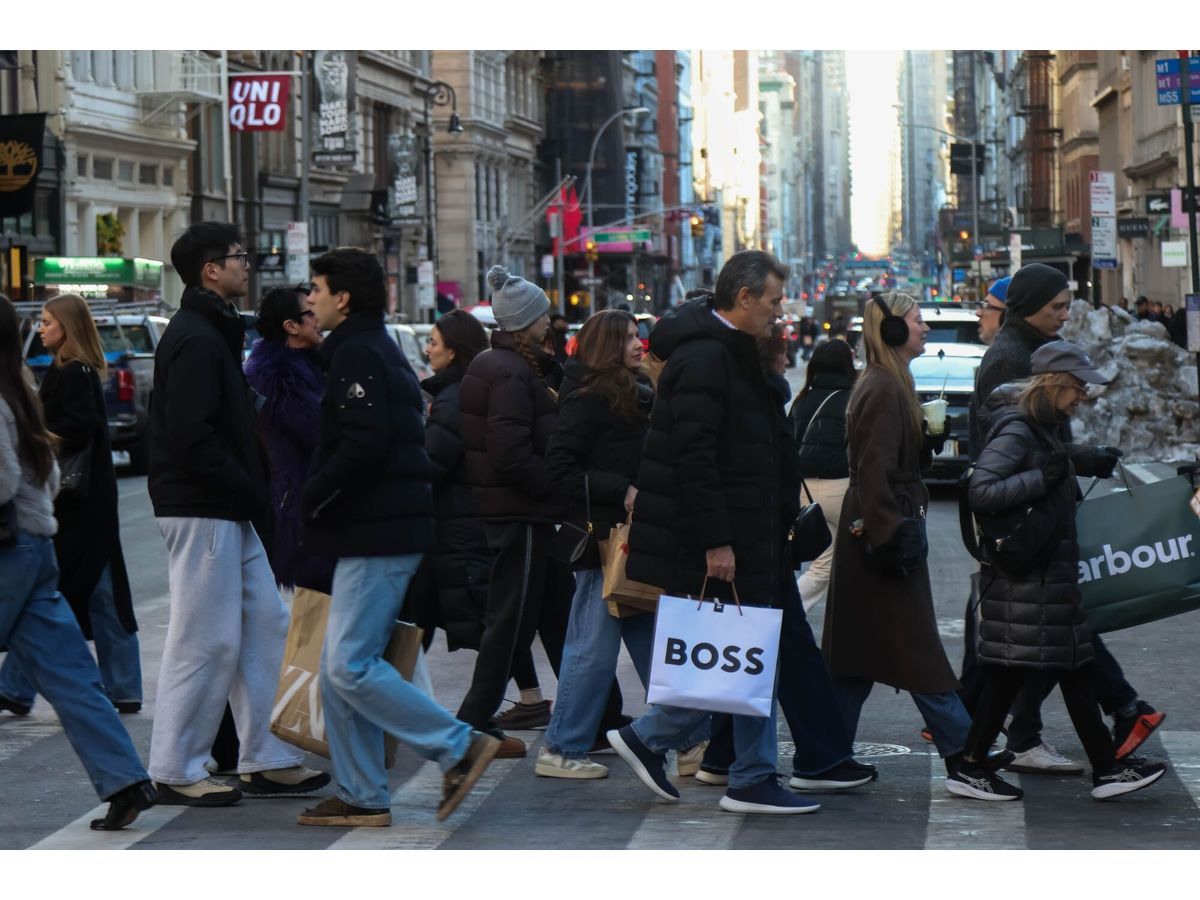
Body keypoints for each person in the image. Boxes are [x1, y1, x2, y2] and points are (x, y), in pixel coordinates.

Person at [609, 250, 822, 815]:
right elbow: (694, 460)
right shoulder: (706, 358)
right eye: (774, 301)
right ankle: (658, 738)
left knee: (750, 652)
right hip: (724, 536)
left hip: (752, 530)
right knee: (746, 653)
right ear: (745, 298)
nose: (780, 311)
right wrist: (717, 541)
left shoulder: (731, 352)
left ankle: (748, 772)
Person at [294, 248, 500, 827]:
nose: (310, 298)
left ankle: (458, 746)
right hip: (374, 526)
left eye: (317, 288)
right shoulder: (360, 348)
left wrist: (313, 494)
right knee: (342, 663)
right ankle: (361, 794)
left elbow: (363, 444)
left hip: (378, 528)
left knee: (349, 665)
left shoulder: (358, 352)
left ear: (344, 297)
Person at [147, 222, 328, 806]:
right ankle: (176, 766)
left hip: (229, 505)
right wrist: (249, 487)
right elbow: (191, 436)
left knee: (266, 624)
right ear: (210, 270)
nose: (247, 265)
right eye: (238, 257)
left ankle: (267, 756)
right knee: (205, 639)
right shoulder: (197, 337)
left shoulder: (215, 330)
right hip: (204, 506)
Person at [970, 262, 1163, 773]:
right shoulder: (1008, 357)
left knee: (1033, 640)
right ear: (1029, 304)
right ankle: (981, 741)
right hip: (1020, 529)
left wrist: (1076, 458)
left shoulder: (1028, 350)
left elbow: (1042, 441)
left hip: (1037, 524)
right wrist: (1068, 463)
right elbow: (1008, 453)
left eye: (1066, 304)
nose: (1065, 314)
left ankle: (992, 736)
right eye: (1056, 306)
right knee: (1039, 637)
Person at [0, 293, 157, 831]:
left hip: (10, 549)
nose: (41, 329)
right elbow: (41, 472)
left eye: (47, 322)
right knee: (71, 679)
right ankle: (126, 780)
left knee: (79, 662)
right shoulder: (20, 389)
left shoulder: (30, 387)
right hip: (37, 541)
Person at [459, 265, 622, 757]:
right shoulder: (507, 371)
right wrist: (552, 491)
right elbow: (510, 452)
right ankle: (472, 721)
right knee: (512, 621)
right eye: (542, 316)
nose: (549, 321)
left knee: (558, 619)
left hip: (526, 513)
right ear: (523, 322)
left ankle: (601, 718)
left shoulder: (513, 366)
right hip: (522, 515)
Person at [822, 292, 974, 782]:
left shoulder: (893, 381)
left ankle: (824, 757)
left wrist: (926, 442)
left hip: (878, 531)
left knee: (854, 656)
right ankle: (964, 755)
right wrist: (889, 540)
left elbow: (891, 462)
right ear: (889, 330)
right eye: (916, 320)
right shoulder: (885, 386)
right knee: (918, 651)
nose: (925, 328)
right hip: (880, 536)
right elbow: (873, 471)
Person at [537, 310, 655, 779]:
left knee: (652, 642)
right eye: (626, 337)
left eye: (636, 334)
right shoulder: (587, 397)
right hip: (602, 540)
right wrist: (620, 489)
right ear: (606, 345)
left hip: (633, 540)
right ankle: (560, 748)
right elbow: (559, 469)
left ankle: (688, 739)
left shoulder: (636, 391)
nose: (637, 342)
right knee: (591, 650)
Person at [402, 309, 492, 652]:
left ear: (452, 350)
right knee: (421, 625)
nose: (427, 350)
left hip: (455, 531)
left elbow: (430, 466)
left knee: (485, 634)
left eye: (432, 342)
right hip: (457, 529)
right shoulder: (460, 393)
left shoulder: (452, 400)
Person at [242, 285, 334, 594]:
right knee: (322, 614)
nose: (318, 317)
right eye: (310, 312)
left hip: (317, 505)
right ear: (290, 326)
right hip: (303, 512)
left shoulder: (311, 365)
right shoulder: (279, 376)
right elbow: (323, 433)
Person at [787, 338, 857, 614]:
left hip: (806, 490)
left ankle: (788, 613)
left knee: (823, 564)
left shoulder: (802, 399)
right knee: (853, 561)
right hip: (841, 487)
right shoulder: (852, 398)